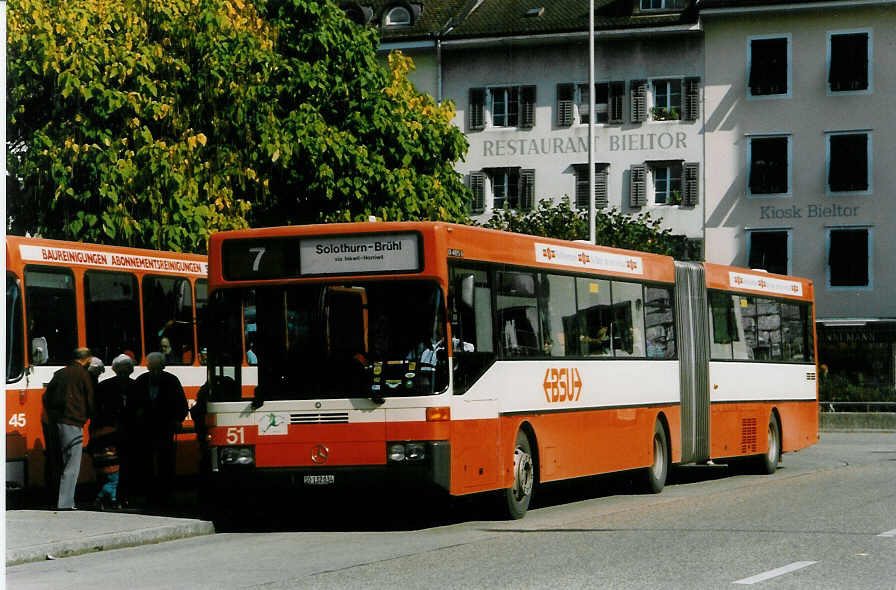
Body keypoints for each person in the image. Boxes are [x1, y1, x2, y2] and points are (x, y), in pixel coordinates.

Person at [132, 352, 188, 508]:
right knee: (146, 463)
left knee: (166, 462)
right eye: (152, 368)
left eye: (158, 368)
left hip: (165, 427)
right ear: (148, 367)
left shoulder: (171, 381)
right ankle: (150, 495)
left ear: (163, 367)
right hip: (146, 428)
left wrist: (178, 419)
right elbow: (132, 404)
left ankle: (166, 495)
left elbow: (182, 404)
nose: (155, 372)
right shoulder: (141, 381)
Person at [42, 347, 95, 510]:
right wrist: (88, 417)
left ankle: (54, 498)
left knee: (57, 461)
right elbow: (90, 400)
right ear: (86, 360)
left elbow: (46, 397)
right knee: (72, 464)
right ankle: (65, 503)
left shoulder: (59, 374)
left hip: (55, 423)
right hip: (73, 423)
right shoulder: (84, 375)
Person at [90, 354, 136, 510]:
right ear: (116, 370)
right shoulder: (133, 386)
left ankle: (116, 497)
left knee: (117, 468)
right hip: (113, 434)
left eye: (126, 371)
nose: (123, 374)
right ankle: (114, 497)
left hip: (116, 434)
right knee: (114, 468)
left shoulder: (105, 386)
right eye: (121, 371)